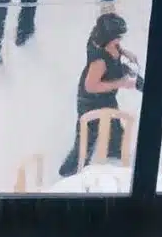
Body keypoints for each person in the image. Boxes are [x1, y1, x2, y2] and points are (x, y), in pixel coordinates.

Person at [57, 13, 142, 178]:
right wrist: (121, 83)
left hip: (106, 96)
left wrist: (124, 52)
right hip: (91, 100)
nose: (119, 40)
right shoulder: (99, 62)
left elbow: (115, 48)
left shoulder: (99, 37)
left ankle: (114, 157)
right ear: (108, 38)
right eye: (117, 37)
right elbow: (91, 86)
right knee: (86, 140)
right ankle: (70, 172)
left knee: (116, 132)